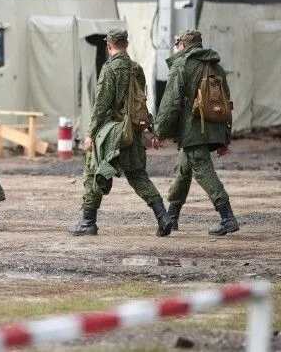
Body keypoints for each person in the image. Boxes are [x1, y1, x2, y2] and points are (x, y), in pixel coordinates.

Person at [68, 29, 173, 237]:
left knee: (94, 171)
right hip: (132, 133)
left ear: (109, 46)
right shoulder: (136, 69)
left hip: (112, 133)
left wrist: (90, 134)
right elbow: (141, 101)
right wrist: (148, 130)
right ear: (126, 43)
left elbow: (102, 105)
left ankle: (88, 222)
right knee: (138, 175)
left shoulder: (110, 69)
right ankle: (163, 216)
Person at [153, 29, 239, 236]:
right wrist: (225, 137)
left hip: (193, 130)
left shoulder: (182, 65)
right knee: (183, 169)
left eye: (177, 45)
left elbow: (171, 103)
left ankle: (227, 218)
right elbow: (226, 103)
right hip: (213, 127)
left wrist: (160, 132)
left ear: (182, 44)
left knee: (202, 170)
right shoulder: (216, 65)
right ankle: (172, 216)